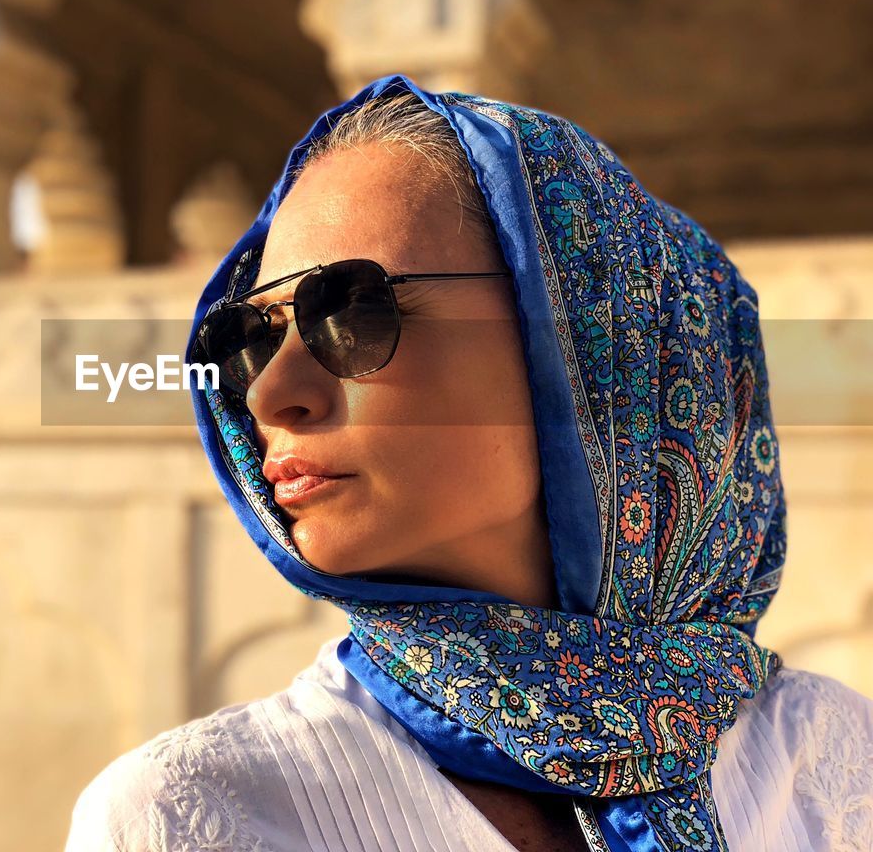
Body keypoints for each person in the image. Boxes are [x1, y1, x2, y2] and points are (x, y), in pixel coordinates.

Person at [62, 75, 873, 851]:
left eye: (349, 310)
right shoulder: (194, 815)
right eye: (250, 340)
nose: (271, 394)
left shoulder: (832, 765)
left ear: (601, 348)